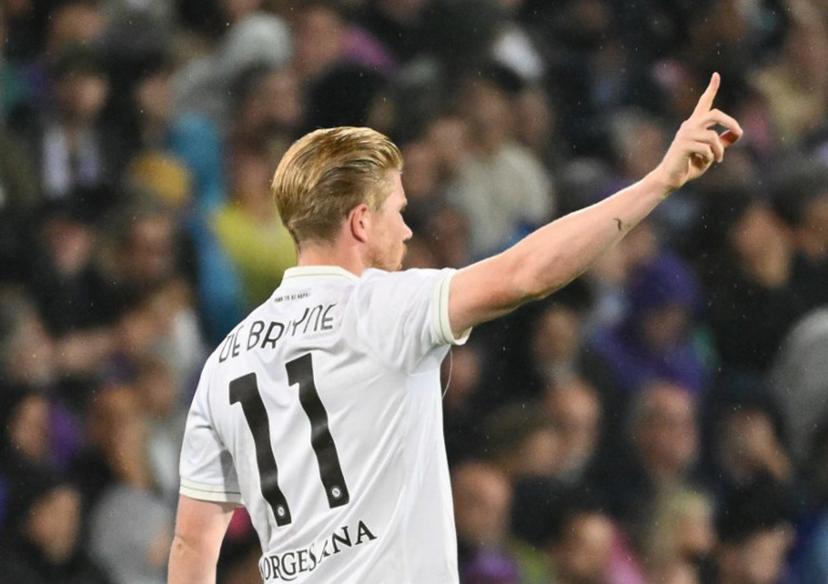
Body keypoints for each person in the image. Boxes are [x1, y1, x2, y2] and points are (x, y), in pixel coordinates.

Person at [168, 73, 742, 583]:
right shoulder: (382, 306)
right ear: (361, 221)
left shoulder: (224, 363)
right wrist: (657, 184)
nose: (409, 231)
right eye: (398, 210)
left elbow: (194, 544)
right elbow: (525, 273)